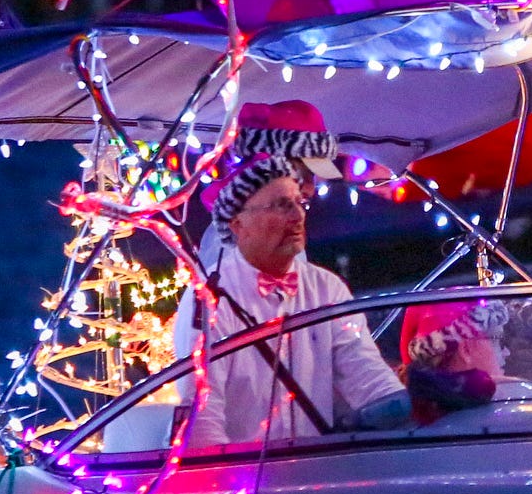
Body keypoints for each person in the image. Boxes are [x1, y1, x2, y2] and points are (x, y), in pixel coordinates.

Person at [173, 101, 409, 445]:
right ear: (238, 223)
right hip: (243, 477)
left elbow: (362, 372)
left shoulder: (324, 285)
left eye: (300, 199)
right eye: (305, 175)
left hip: (312, 471)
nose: (307, 196)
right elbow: (202, 414)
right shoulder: (211, 290)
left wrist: (408, 407)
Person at [400, 298, 509, 424]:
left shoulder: (418, 416)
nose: (506, 352)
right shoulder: (496, 419)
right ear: (466, 349)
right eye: (496, 341)